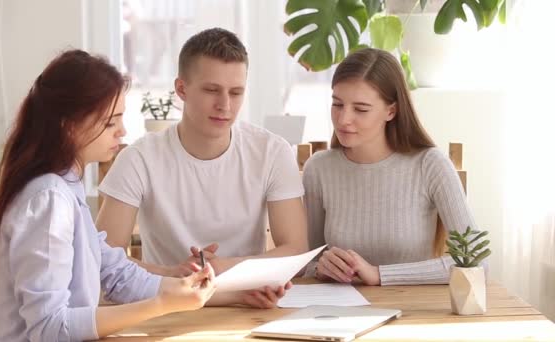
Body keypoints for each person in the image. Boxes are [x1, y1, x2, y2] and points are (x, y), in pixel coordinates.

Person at [0, 50, 216, 342]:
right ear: (69, 124)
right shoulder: (49, 199)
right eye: (110, 122)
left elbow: (115, 272)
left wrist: (179, 284)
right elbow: (50, 328)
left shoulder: (65, 186)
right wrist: (160, 304)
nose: (122, 131)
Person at [96, 28, 307, 308]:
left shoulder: (271, 151)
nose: (225, 105)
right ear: (181, 89)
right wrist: (173, 275)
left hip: (248, 305)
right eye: (211, 90)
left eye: (236, 92)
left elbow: (296, 251)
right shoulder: (139, 158)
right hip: (164, 306)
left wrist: (223, 267)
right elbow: (99, 259)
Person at [303, 48, 479, 286]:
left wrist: (379, 275)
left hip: (414, 313)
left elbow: (474, 262)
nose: (343, 119)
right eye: (337, 104)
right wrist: (320, 267)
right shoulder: (319, 169)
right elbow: (307, 261)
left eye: (361, 109)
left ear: (391, 110)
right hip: (339, 314)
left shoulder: (430, 165)